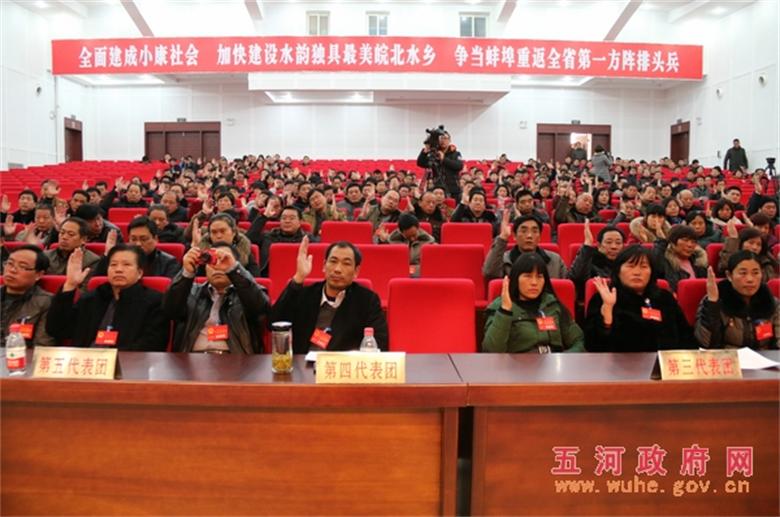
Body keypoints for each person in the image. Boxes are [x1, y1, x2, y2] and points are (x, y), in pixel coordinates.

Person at [270, 238, 388, 354]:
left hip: (341, 364)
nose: (337, 269)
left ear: (356, 271)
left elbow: (380, 342)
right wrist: (298, 277)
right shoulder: (304, 294)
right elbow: (274, 323)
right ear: (324, 265)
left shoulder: (367, 301)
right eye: (333, 261)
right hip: (302, 363)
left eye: (346, 263)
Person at [46, 244, 168, 350]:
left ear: (139, 273)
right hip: (86, 363)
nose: (118, 269)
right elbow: (57, 329)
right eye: (113, 265)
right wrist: (70, 285)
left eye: (126, 265)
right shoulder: (91, 298)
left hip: (127, 364)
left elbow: (153, 344)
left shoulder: (154, 302)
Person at [162, 242, 271, 354]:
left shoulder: (246, 293)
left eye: (224, 260)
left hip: (235, 358)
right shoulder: (190, 292)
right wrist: (186, 274)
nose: (218, 267)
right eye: (212, 261)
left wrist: (234, 271)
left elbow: (261, 310)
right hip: (192, 357)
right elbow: (170, 311)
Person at [584, 245, 696, 352]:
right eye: (631, 266)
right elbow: (592, 346)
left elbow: (686, 337)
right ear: (618, 271)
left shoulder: (664, 298)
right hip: (619, 364)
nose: (637, 272)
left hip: (662, 362)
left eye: (643, 267)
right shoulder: (604, 298)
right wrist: (607, 311)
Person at [483, 253, 584, 353]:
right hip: (518, 362)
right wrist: (505, 311)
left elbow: (578, 341)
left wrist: (565, 358)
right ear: (516, 279)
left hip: (552, 361)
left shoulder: (552, 304)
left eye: (539, 277)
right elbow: (491, 351)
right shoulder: (500, 306)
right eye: (528, 276)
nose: (534, 282)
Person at [696, 252, 778, 349]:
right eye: (743, 273)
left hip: (765, 356)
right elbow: (706, 343)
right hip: (728, 356)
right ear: (729, 275)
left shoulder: (772, 303)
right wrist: (712, 305)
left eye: (755, 273)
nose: (750, 279)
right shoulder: (714, 301)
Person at [0, 245, 57, 347]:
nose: (12, 270)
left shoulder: (46, 302)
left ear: (38, 275)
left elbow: (42, 346)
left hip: (19, 354)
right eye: (10, 263)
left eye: (22, 267)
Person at [484, 213, 567, 281]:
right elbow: (489, 273)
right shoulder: (504, 260)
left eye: (534, 231)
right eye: (524, 231)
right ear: (514, 236)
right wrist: (502, 238)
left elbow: (565, 287)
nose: (529, 235)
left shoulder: (555, 260)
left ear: (539, 237)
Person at [92, 217, 180, 279]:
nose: (138, 244)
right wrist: (108, 255)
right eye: (133, 239)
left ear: (155, 239)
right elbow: (98, 281)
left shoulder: (169, 262)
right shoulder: (119, 259)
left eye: (144, 239)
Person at [568, 221, 625, 300]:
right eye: (609, 242)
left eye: (618, 243)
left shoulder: (626, 264)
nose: (614, 247)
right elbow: (577, 277)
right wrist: (587, 245)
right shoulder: (589, 260)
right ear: (599, 245)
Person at [193, 213, 262, 277]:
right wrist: (198, 251)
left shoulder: (245, 253)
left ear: (233, 232)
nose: (219, 236)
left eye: (223, 231)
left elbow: (254, 280)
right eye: (214, 232)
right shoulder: (204, 255)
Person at [251, 206, 310, 276]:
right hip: (268, 277)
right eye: (284, 218)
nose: (287, 221)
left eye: (292, 218)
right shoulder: (268, 237)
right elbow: (250, 240)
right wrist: (264, 216)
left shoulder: (307, 240)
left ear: (300, 222)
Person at [653, 224, 708, 292]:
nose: (690, 245)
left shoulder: (698, 261)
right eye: (685, 240)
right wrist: (661, 243)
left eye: (693, 242)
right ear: (673, 242)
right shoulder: (664, 261)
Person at [416, 129, 464, 199]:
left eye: (445, 138)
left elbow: (459, 166)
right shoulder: (434, 153)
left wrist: (444, 159)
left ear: (449, 140)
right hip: (437, 188)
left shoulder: (455, 153)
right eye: (441, 138)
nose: (443, 141)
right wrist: (425, 151)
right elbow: (420, 163)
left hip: (452, 188)